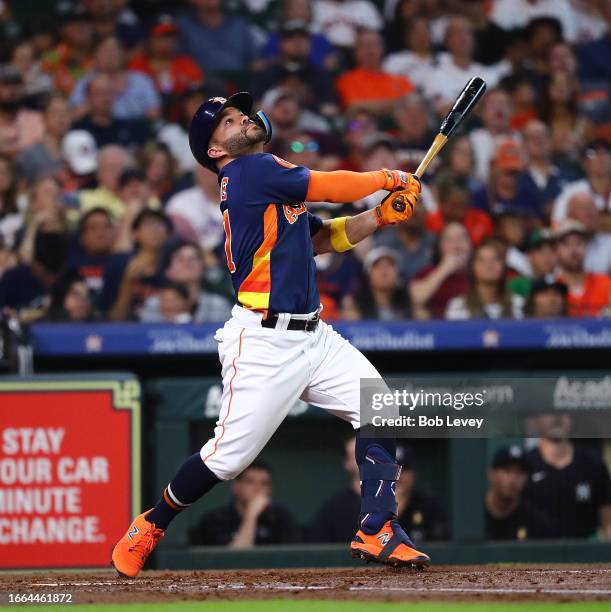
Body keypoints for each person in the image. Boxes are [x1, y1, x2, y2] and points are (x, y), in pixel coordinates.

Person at [111, 91, 429, 577]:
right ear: (215, 150)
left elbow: (323, 238)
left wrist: (382, 216)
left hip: (314, 335)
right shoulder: (246, 171)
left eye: (241, 114)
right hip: (263, 341)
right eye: (228, 122)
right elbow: (328, 184)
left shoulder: (266, 176)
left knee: (379, 405)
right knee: (226, 460)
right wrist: (389, 178)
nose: (241, 120)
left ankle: (378, 525)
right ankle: (151, 523)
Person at [524, 415, 611, 538]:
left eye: (563, 411)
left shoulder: (593, 465)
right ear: (534, 421)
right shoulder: (524, 465)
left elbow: (608, 525)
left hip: (584, 552)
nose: (557, 418)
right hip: (536, 552)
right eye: (550, 411)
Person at [194, 461, 300, 548]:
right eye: (250, 482)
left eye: (265, 483)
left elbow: (294, 561)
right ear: (236, 487)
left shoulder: (281, 516)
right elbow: (230, 564)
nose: (258, 488)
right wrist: (251, 516)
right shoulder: (215, 519)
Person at [335, 29, 413, 114]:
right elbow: (354, 109)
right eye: (364, 45)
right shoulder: (346, 81)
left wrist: (369, 107)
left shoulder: (401, 81)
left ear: (382, 48)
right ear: (355, 51)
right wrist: (397, 104)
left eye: (374, 45)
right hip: (359, 126)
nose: (370, 49)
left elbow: (412, 105)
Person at [485, 445, 554, 540]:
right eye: (507, 470)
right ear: (491, 474)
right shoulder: (474, 515)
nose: (513, 479)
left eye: (520, 472)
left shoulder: (536, 521)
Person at [445, 239, 524, 320]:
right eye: (482, 260)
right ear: (472, 268)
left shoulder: (518, 303)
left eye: (495, 259)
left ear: (503, 266)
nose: (489, 265)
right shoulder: (458, 305)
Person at [410, 222, 471, 320]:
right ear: (439, 247)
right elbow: (415, 298)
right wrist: (444, 269)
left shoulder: (478, 273)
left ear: (470, 245)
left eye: (461, 239)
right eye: (450, 240)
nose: (457, 246)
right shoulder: (427, 273)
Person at [553, 220, 611, 317]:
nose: (573, 249)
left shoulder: (607, 285)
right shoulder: (551, 289)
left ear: (586, 247)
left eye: (579, 242)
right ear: (555, 250)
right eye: (566, 244)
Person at [347, 247, 410, 320]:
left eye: (389, 266)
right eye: (378, 267)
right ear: (368, 275)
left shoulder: (408, 302)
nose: (384, 272)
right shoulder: (355, 307)